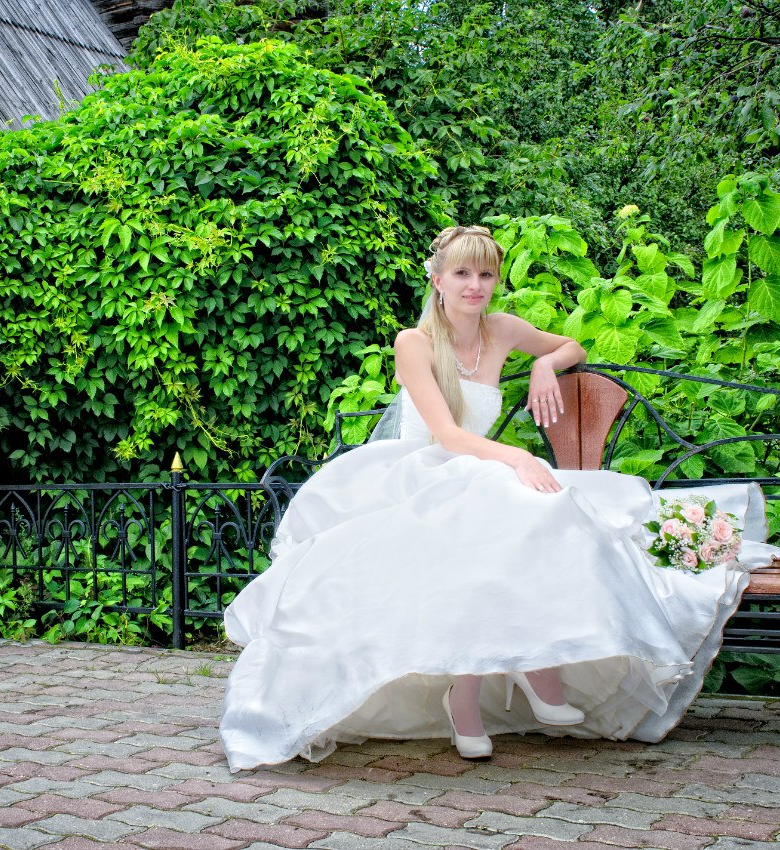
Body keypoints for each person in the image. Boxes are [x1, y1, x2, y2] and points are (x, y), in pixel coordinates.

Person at [219, 225, 749, 772]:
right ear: (437, 280)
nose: (475, 285)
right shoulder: (414, 343)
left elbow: (573, 346)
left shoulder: (502, 329)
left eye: (486, 274)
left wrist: (544, 364)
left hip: (476, 470)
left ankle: (504, 680)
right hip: (424, 470)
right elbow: (447, 435)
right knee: (492, 517)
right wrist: (516, 457)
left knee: (540, 516)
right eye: (462, 273)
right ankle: (501, 685)